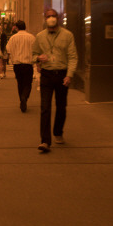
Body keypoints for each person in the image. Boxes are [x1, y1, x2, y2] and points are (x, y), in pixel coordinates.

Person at [32, 9, 78, 153]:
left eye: (53, 16)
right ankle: (45, 141)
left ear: (58, 18)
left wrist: (69, 75)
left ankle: (58, 131)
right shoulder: (39, 37)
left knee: (61, 106)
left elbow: (72, 56)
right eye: (48, 16)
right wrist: (38, 58)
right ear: (45, 19)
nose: (51, 18)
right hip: (46, 75)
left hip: (62, 74)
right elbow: (33, 55)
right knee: (45, 108)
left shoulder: (67, 35)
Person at [6, 20, 36, 112]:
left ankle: (21, 99)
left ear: (17, 28)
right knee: (28, 83)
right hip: (28, 64)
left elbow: (8, 49)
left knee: (20, 83)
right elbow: (36, 50)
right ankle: (24, 97)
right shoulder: (31, 37)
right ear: (25, 27)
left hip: (17, 64)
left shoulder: (13, 38)